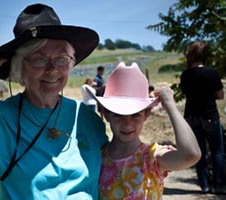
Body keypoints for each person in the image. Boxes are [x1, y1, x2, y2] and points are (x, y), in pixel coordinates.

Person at [0, 4, 108, 199]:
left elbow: (114, 170)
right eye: (39, 59)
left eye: (61, 58)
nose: (52, 69)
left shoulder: (86, 117)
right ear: (19, 67)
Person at [87, 62, 201, 199]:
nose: (127, 123)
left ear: (146, 114)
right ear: (106, 114)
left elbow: (191, 154)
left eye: (135, 115)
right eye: (118, 114)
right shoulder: (97, 157)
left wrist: (170, 106)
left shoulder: (152, 158)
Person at [180, 41, 225, 193]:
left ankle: (204, 185)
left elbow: (186, 94)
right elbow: (220, 95)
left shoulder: (185, 75)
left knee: (199, 153)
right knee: (217, 151)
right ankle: (219, 185)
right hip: (210, 115)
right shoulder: (212, 73)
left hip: (192, 116)